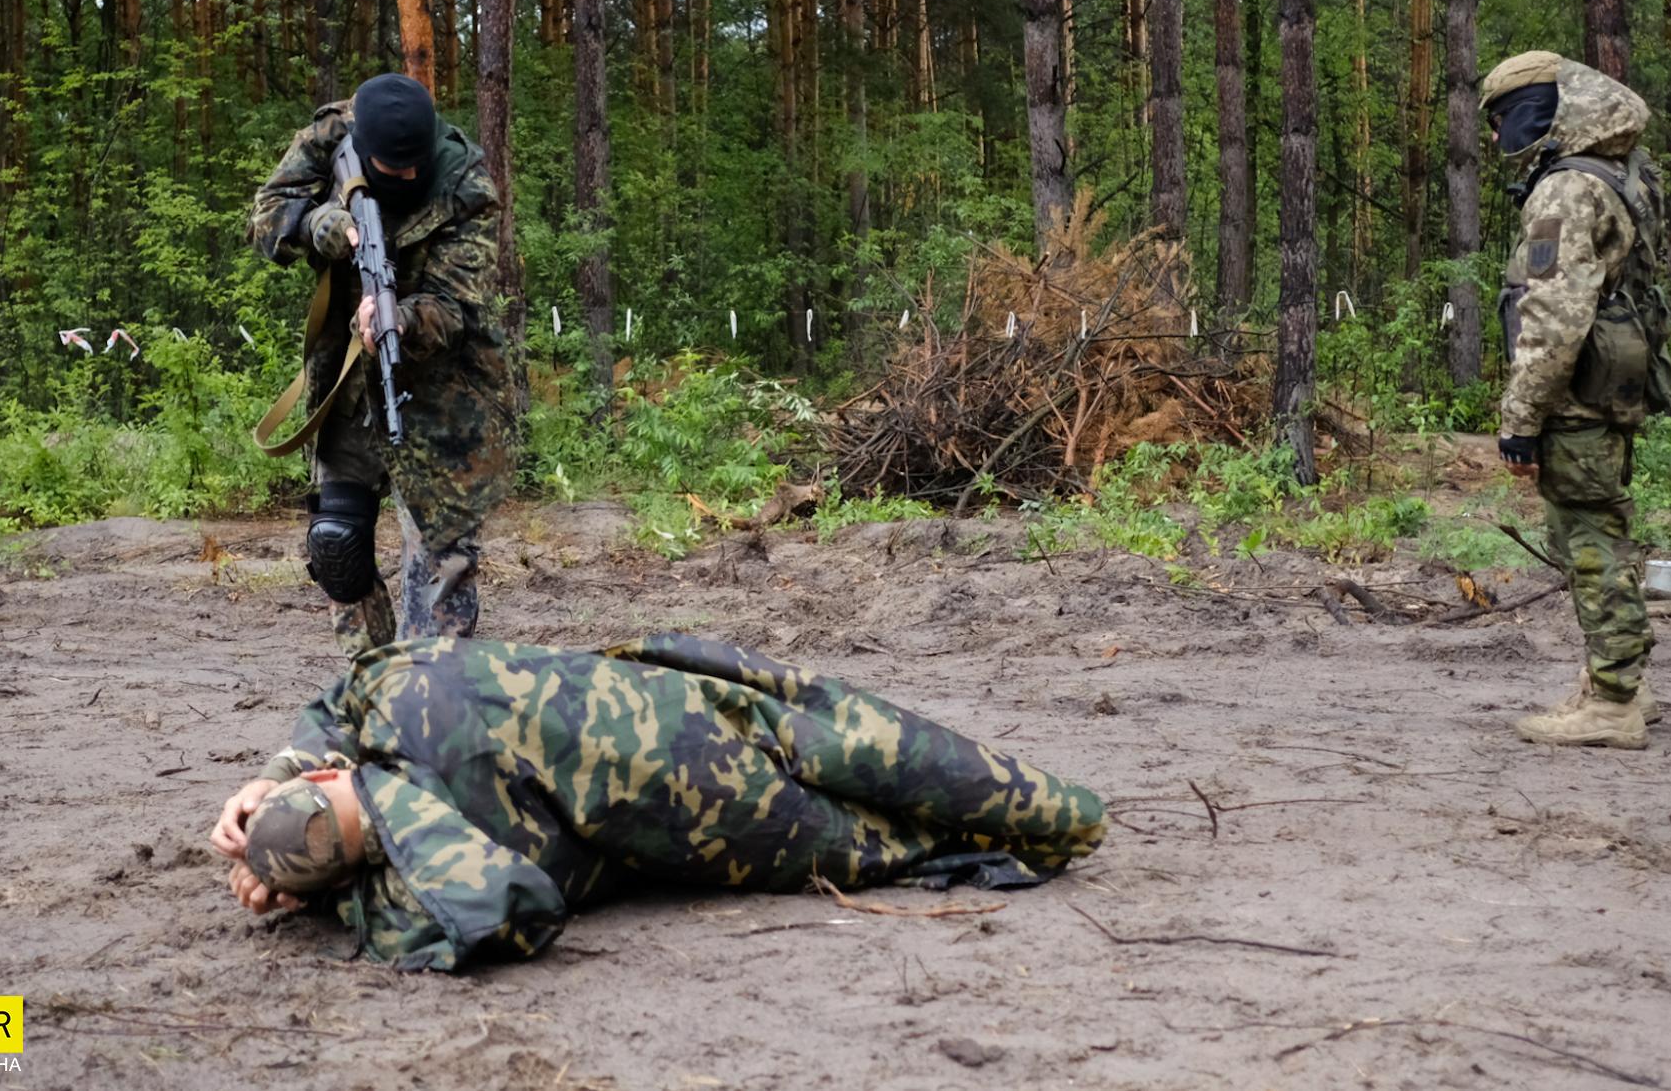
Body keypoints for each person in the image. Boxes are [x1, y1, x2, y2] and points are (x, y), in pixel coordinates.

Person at [207, 633, 1108, 970]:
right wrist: (291, 789)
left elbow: (508, 911)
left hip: (711, 787)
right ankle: (1068, 810)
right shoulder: (395, 694)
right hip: (697, 724)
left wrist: (324, 882)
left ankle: (1066, 822)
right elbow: (341, 694)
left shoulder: (458, 850)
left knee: (898, 836)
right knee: (893, 754)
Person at [248, 74, 515, 658]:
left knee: (443, 574)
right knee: (336, 548)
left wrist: (399, 321)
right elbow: (267, 216)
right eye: (390, 173)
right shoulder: (331, 134)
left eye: (413, 170)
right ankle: (369, 693)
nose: (406, 180)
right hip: (347, 388)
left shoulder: (468, 186)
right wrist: (320, 226)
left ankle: (426, 705)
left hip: (449, 393)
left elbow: (458, 307)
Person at [1482, 51, 1671, 750]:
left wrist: (1520, 416)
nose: (1500, 134)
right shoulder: (1624, 170)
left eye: (1503, 117)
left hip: (1578, 395)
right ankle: (1623, 681)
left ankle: (1615, 704)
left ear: (1544, 109)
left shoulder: (1565, 191)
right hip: (1612, 386)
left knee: (1589, 541)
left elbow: (1555, 317)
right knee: (1605, 533)